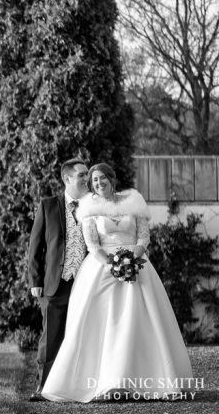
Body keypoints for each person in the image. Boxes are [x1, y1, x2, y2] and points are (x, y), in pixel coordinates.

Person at [40, 163, 194, 402]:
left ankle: (149, 379)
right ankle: (109, 383)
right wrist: (114, 264)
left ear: (112, 178)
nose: (98, 184)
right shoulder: (89, 207)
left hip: (137, 264)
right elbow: (92, 244)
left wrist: (132, 258)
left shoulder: (133, 201)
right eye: (94, 181)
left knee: (139, 322)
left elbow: (144, 235)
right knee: (104, 324)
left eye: (102, 179)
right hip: (102, 269)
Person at [26, 158, 89, 401]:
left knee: (81, 336)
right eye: (82, 175)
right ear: (67, 178)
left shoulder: (92, 206)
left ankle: (77, 386)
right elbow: (35, 246)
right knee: (50, 337)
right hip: (54, 283)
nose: (86, 179)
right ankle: (43, 388)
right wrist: (35, 281)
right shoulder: (49, 205)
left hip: (84, 284)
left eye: (86, 175)